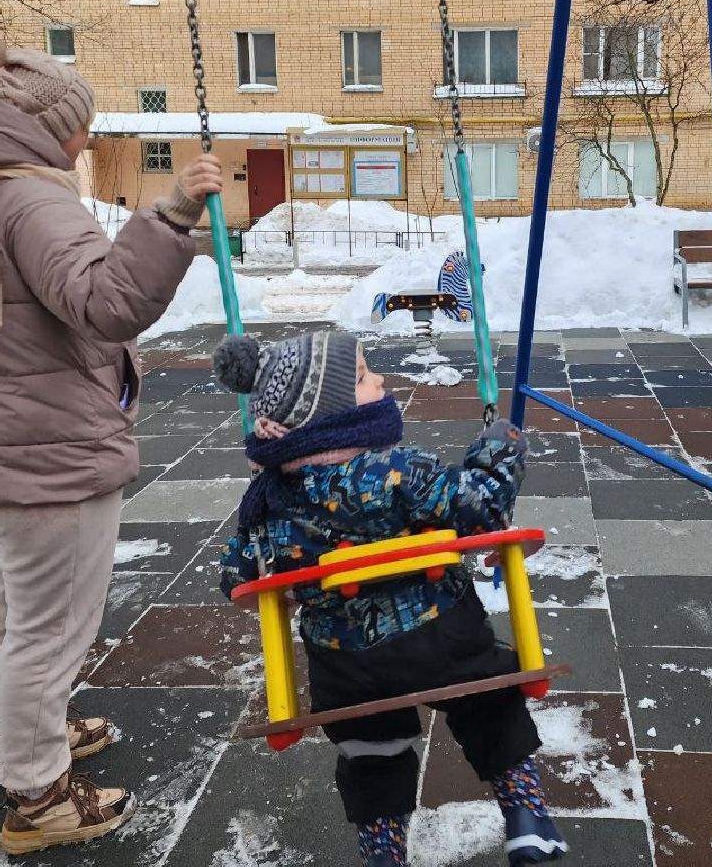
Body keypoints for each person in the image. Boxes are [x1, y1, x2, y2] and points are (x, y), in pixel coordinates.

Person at [0, 32, 222, 855]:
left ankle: (28, 743)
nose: (87, 141)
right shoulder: (33, 199)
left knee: (17, 613)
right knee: (50, 630)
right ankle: (38, 798)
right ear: (43, 131)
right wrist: (174, 213)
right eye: (81, 127)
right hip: (43, 459)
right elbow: (105, 304)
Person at [213, 330, 568, 867]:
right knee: (489, 701)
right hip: (445, 640)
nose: (378, 379)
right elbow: (478, 508)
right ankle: (526, 817)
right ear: (327, 415)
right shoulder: (402, 472)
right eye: (360, 376)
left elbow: (237, 576)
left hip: (347, 670)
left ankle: (383, 854)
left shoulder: (269, 502)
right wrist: (500, 451)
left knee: (368, 748)